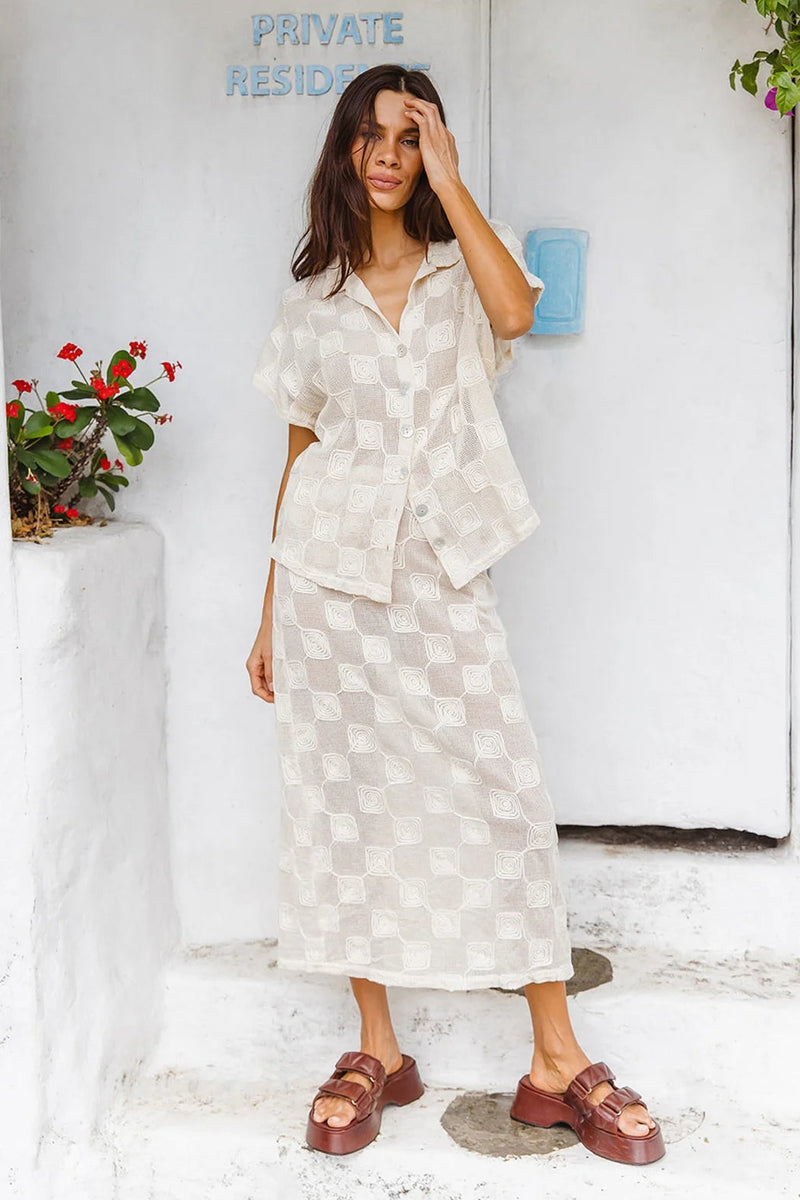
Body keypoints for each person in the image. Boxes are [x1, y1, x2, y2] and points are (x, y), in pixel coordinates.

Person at [246, 63, 664, 1167]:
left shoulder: (463, 265)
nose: (387, 156)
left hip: (440, 567)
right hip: (326, 579)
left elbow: (515, 309)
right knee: (345, 800)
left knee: (504, 790)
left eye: (409, 136)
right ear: (343, 151)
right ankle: (376, 1047)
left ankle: (555, 1059)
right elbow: (297, 454)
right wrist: (268, 613)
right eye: (371, 136)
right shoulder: (312, 302)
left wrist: (452, 179)